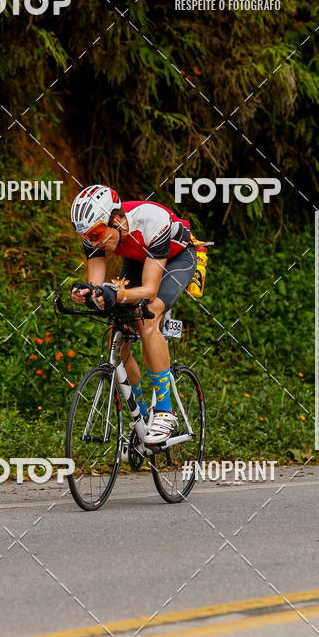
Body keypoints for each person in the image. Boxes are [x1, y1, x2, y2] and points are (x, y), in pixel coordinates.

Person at [70, 185, 197, 445]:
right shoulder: (95, 231)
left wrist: (116, 294)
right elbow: (96, 283)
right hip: (139, 259)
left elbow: (149, 290)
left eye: (95, 235)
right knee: (116, 333)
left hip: (177, 259)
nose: (92, 243)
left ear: (116, 219)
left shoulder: (152, 220)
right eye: (85, 237)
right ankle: (139, 417)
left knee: (148, 315)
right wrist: (87, 293)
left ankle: (165, 412)